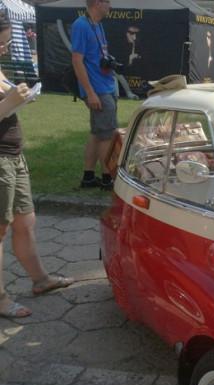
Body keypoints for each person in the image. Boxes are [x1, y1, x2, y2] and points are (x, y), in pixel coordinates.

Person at [0, 13, 74, 318]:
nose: (5, 49)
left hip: (14, 157)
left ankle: (40, 280)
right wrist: (8, 103)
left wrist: (22, 97)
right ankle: (0, 298)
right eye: (1, 43)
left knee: (26, 222)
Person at [71, 0, 117, 190]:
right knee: (107, 135)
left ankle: (88, 177)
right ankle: (108, 179)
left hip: (105, 85)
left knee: (97, 134)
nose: (110, 6)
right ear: (97, 3)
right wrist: (90, 93)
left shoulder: (97, 25)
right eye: (107, 2)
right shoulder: (81, 25)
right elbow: (77, 60)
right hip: (97, 90)